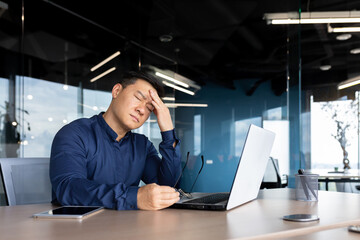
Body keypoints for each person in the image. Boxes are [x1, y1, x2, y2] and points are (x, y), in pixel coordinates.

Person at [50, 71, 181, 210]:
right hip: (81, 228)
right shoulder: (75, 134)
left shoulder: (142, 145)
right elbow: (68, 188)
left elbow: (168, 189)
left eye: (149, 108)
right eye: (138, 97)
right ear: (116, 91)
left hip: (128, 227)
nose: (142, 110)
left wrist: (167, 130)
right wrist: (134, 197)